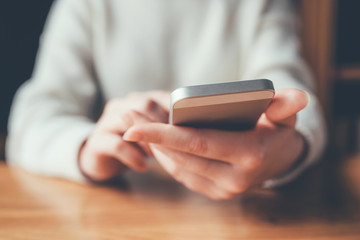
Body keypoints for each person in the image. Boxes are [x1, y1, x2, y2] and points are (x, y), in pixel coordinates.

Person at [6, 0, 326, 200]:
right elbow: (33, 117)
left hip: (240, 213)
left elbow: (297, 99)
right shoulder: (86, 4)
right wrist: (85, 147)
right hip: (131, 204)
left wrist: (289, 148)